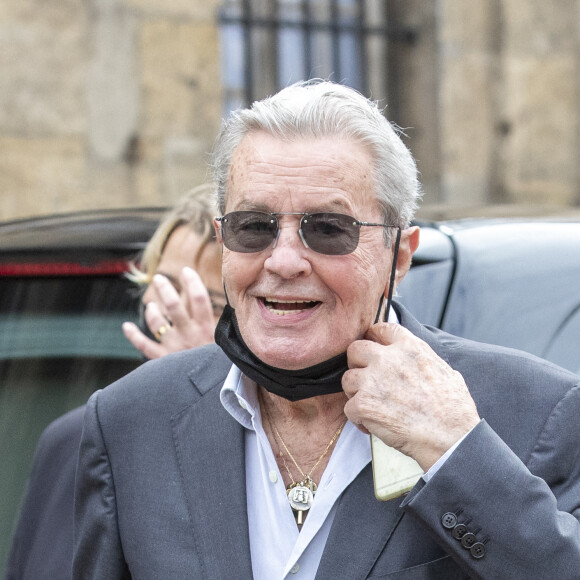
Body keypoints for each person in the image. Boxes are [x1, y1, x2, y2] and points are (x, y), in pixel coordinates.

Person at [73, 80, 580, 579]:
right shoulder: (129, 422)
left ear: (398, 256)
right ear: (223, 241)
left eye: (329, 229)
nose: (285, 261)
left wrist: (455, 454)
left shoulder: (538, 414)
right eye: (254, 227)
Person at [5, 184, 225, 580]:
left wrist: (203, 382)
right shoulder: (72, 439)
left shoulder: (266, 452)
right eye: (165, 288)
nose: (173, 314)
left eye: (210, 305)